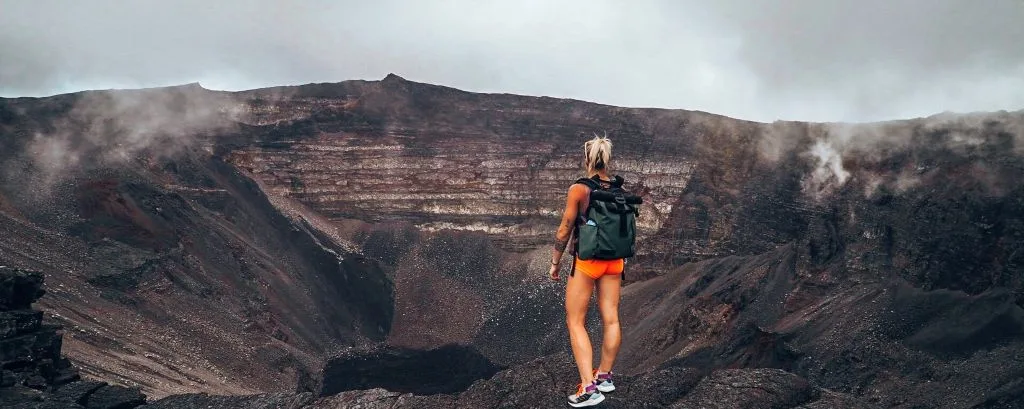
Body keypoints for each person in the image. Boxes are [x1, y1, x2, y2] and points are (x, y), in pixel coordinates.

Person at [549, 134, 623, 407]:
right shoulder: (618, 188)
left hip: (588, 261)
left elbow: (565, 228)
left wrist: (556, 262)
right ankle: (605, 376)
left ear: (587, 159)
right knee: (611, 318)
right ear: (608, 159)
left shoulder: (579, 189)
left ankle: (589, 389)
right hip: (615, 261)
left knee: (575, 321)